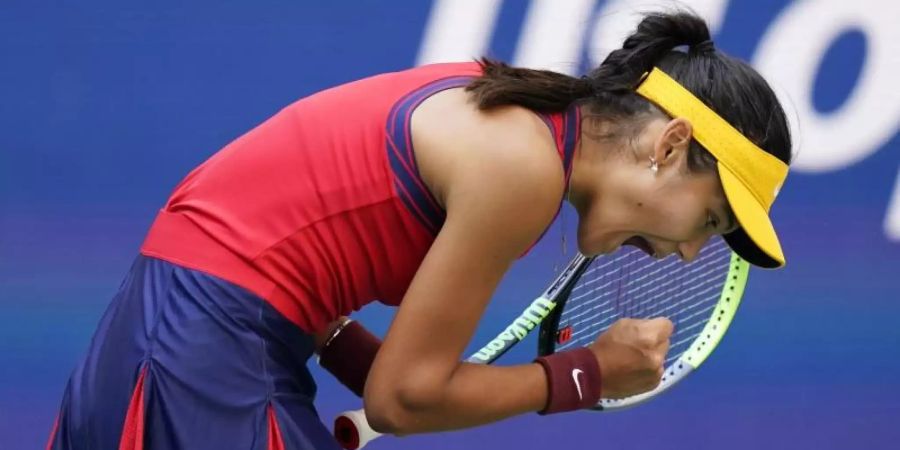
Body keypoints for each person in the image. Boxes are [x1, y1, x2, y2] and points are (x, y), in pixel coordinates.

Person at [46, 10, 792, 450]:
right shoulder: (520, 169)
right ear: (668, 146)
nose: (693, 250)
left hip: (164, 333)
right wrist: (584, 373)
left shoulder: (511, 115)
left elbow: (376, 369)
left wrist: (334, 341)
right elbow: (405, 402)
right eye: (710, 219)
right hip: (202, 352)